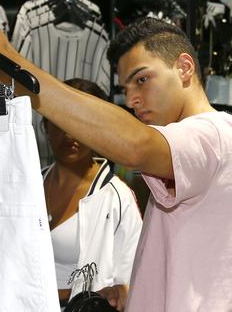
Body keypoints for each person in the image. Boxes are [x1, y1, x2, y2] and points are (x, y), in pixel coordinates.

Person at [0, 3, 232, 311]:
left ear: (184, 68)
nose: (132, 99)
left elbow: (133, 145)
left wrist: (8, 64)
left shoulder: (217, 134)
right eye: (125, 87)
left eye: (142, 79)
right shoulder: (201, 142)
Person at [42, 78, 142, 311]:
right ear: (45, 125)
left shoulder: (116, 197)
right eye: (60, 120)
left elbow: (132, 279)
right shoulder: (28, 185)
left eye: (80, 122)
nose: (69, 134)